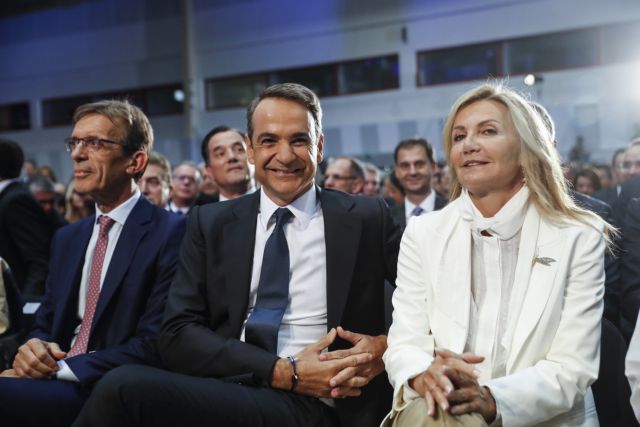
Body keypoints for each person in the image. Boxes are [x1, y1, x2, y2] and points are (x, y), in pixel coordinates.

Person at [75, 83, 401, 427]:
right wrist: (281, 372)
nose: (285, 156)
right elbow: (177, 332)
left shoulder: (366, 218)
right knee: (120, 388)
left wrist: (384, 346)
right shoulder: (210, 223)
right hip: (236, 386)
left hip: (327, 398)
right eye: (269, 141)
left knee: (122, 389)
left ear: (319, 147)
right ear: (250, 149)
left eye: (299, 140)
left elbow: (430, 304)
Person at [383, 83, 612, 427]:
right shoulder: (423, 233)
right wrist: (424, 375)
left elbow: (572, 367)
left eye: (488, 131)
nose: (468, 145)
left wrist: (492, 398)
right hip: (443, 412)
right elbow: (404, 342)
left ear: (525, 148)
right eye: (459, 136)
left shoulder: (578, 236)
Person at [0, 100, 186, 427]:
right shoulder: (67, 237)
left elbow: (157, 341)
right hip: (54, 380)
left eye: (95, 143)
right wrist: (34, 349)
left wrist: (61, 368)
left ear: (135, 161)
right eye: (74, 142)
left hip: (109, 387)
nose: (77, 154)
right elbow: (46, 320)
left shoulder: (172, 231)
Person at [0, 139, 52, 300]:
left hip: (16, 303)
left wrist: (28, 305)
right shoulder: (9, 197)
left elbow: (37, 257)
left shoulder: (16, 200)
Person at [391, 138, 447, 230]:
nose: (412, 172)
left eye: (419, 164)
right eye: (405, 166)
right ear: (396, 171)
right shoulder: (388, 219)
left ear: (433, 167)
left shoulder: (453, 210)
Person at [200, 125, 254, 202]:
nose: (231, 157)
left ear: (252, 156)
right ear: (209, 171)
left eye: (239, 149)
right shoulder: (202, 209)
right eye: (220, 154)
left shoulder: (272, 201)